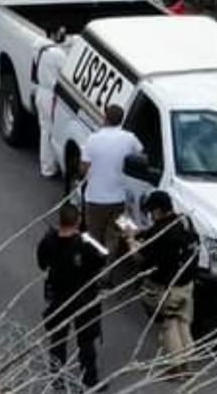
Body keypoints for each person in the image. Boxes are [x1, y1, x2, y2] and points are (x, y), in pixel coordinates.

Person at [36, 203, 107, 389]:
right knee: (86, 342)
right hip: (84, 299)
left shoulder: (48, 240)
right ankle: (89, 382)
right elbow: (102, 258)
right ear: (78, 221)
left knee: (58, 341)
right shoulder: (84, 243)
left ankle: (57, 381)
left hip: (58, 297)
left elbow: (42, 264)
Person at [125, 191, 198, 369]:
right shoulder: (183, 221)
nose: (151, 215)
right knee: (183, 322)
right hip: (187, 283)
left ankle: (176, 367)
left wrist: (130, 242)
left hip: (168, 287)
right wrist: (141, 234)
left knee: (169, 324)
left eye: (151, 211)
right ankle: (189, 360)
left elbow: (141, 259)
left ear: (157, 210)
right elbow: (154, 231)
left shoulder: (160, 234)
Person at [80, 104, 143, 258]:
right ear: (121, 120)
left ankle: (94, 268)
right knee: (112, 237)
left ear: (105, 117)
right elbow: (141, 154)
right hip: (118, 199)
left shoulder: (93, 139)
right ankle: (107, 272)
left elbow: (83, 168)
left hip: (95, 198)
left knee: (94, 237)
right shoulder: (129, 138)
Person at [33, 28, 69, 179]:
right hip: (51, 96)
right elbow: (66, 72)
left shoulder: (37, 47)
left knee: (45, 130)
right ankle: (50, 166)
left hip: (41, 91)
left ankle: (46, 166)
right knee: (52, 132)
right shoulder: (58, 54)